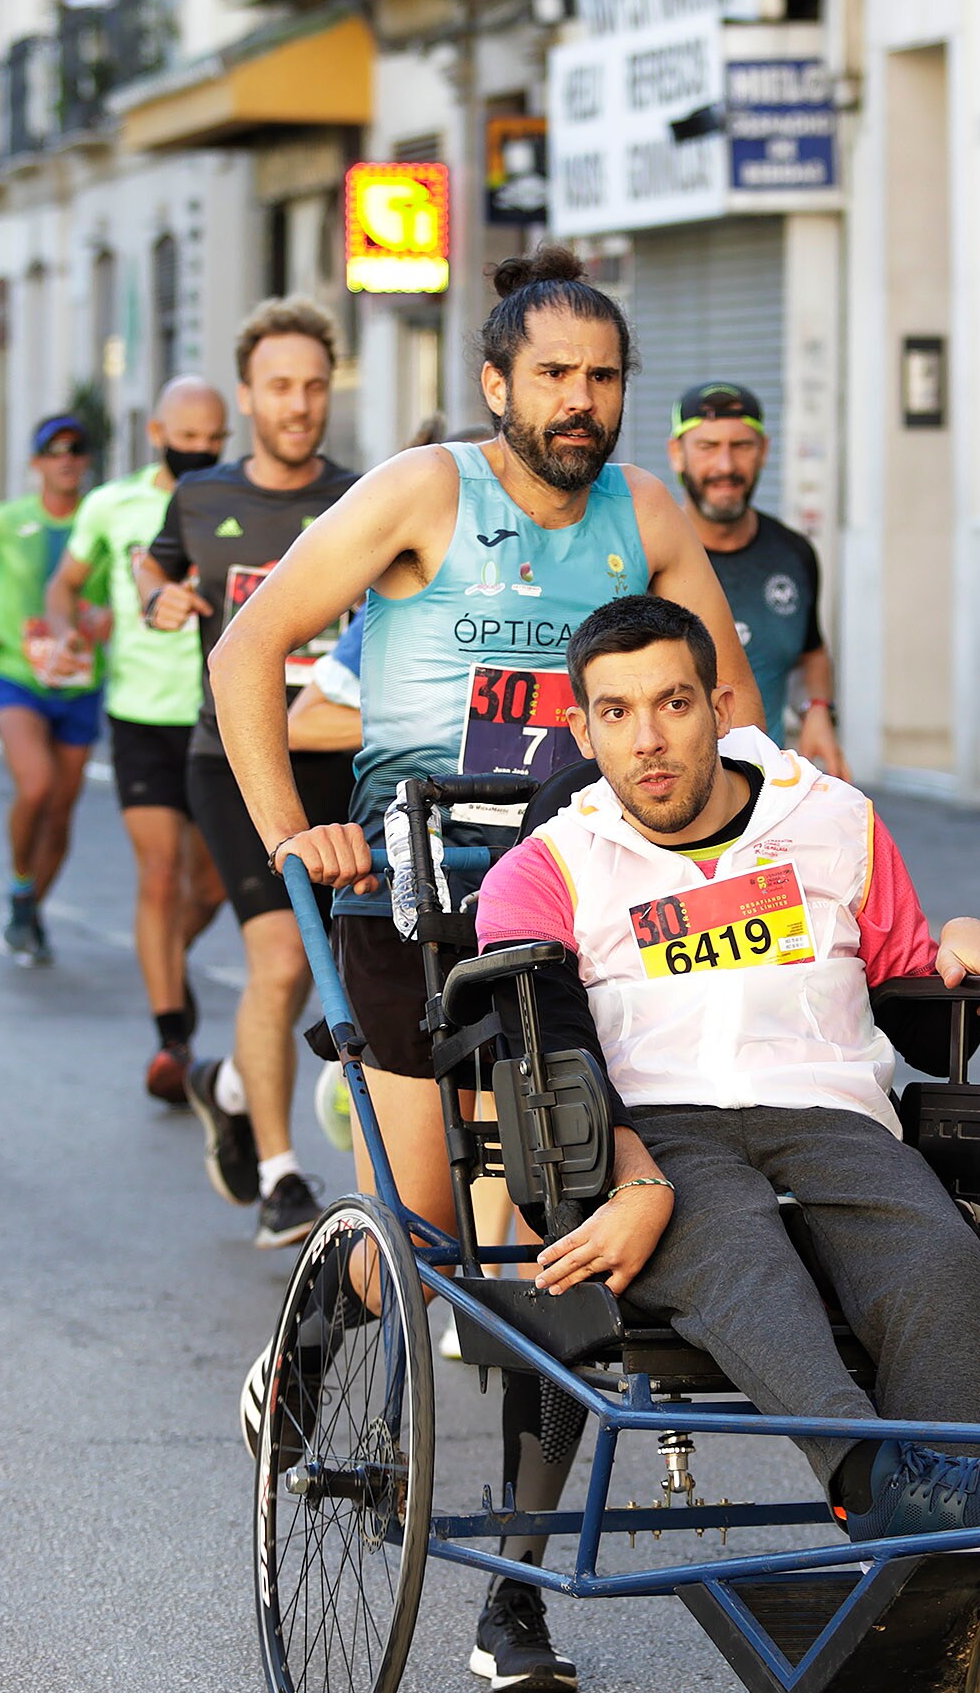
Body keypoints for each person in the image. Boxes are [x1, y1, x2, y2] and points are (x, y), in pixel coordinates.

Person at [417, 595, 980, 1688]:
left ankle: (957, 1565)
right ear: (582, 732)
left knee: (942, 1260)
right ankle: (886, 1486)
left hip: (827, 1109)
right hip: (655, 1128)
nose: (648, 739)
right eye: (615, 714)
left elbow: (902, 980)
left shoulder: (833, 819)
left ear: (719, 705)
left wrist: (952, 945)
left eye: (672, 703)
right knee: (739, 1250)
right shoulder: (549, 866)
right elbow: (546, 1043)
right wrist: (632, 1176)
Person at [207, 248, 767, 1254]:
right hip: (416, 899)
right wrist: (291, 835)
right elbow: (248, 646)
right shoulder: (425, 490)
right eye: (554, 375)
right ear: (497, 386)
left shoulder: (642, 509)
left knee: (601, 1206)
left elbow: (733, 716)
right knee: (422, 1250)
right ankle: (324, 1342)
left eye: (602, 377)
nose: (580, 400)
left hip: (585, 901)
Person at [137, 299, 364, 1247]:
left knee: (347, 970)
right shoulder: (201, 498)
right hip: (229, 759)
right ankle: (279, 1178)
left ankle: (229, 1085)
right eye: (280, 386)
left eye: (314, 386)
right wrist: (160, 600)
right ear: (247, 397)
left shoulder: (367, 496)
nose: (299, 404)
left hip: (343, 756)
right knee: (278, 959)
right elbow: (152, 569)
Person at [48, 377, 230, 1102]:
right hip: (139, 714)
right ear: (156, 429)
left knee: (211, 882)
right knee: (158, 874)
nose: (198, 451)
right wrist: (65, 630)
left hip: (219, 715)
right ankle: (170, 1037)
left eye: (211, 440)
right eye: (185, 438)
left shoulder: (236, 503)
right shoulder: (110, 504)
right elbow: (67, 584)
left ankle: (164, 960)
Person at [0, 413, 105, 966]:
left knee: (63, 810)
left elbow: (130, 580)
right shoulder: (4, 520)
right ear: (36, 462)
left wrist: (115, 613)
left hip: (80, 681)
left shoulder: (99, 522)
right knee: (37, 786)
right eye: (54, 449)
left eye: (76, 448)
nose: (66, 458)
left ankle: (28, 910)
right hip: (17, 677)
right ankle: (21, 883)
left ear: (86, 460)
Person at [666, 380, 846, 777]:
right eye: (707, 447)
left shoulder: (794, 553)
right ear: (677, 455)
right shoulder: (651, 555)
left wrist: (816, 710)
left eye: (741, 446)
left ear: (764, 451)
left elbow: (810, 652)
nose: (725, 466)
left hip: (766, 794)